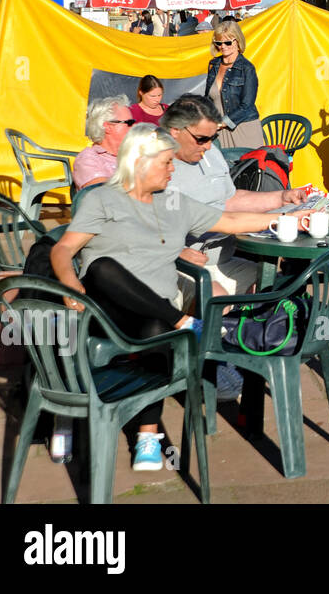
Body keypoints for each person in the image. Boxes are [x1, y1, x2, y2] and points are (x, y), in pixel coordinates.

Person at [50, 124, 306, 471]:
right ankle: (189, 328)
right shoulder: (102, 199)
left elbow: (229, 219)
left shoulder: (173, 201)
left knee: (158, 326)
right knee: (103, 267)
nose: (174, 169)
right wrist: (69, 283)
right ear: (139, 161)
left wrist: (289, 217)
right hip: (106, 309)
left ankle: (147, 437)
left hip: (158, 312)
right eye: (167, 163)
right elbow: (64, 248)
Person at [162, 95, 306, 296]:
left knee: (284, 288)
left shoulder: (207, 152)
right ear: (175, 131)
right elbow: (223, 220)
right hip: (178, 267)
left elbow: (229, 200)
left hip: (222, 261)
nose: (208, 146)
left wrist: (282, 198)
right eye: (202, 138)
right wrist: (281, 219)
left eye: (213, 138)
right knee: (214, 296)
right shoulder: (158, 167)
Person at [204, 19, 264, 149]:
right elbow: (207, 99)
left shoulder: (247, 69)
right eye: (219, 42)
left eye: (227, 42)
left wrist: (222, 123)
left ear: (237, 42)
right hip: (219, 130)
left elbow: (247, 105)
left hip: (243, 129)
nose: (223, 46)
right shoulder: (213, 65)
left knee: (245, 168)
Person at [73, 96, 134, 189]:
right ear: (108, 127)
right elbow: (104, 195)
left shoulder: (134, 154)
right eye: (129, 123)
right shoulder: (88, 159)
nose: (134, 127)